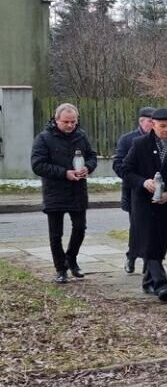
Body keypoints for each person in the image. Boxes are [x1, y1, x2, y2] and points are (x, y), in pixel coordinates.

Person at [123, 108, 167, 303]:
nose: (166, 130)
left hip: (166, 204)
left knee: (159, 243)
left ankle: (148, 281)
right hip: (143, 204)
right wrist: (143, 182)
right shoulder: (139, 144)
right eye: (163, 126)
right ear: (153, 125)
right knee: (148, 241)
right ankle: (161, 284)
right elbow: (126, 170)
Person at [31, 103, 98, 283]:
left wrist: (88, 167)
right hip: (55, 191)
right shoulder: (43, 138)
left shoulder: (81, 136)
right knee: (56, 234)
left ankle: (71, 259)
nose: (70, 125)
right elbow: (38, 165)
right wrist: (64, 173)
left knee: (80, 228)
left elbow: (92, 156)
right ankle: (61, 269)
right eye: (66, 122)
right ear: (56, 120)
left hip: (77, 190)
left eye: (73, 122)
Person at [113, 106, 155, 274]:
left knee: (153, 227)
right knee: (137, 226)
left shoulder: (162, 140)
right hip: (134, 190)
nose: (153, 125)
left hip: (156, 189)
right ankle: (132, 256)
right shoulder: (128, 139)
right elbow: (118, 165)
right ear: (141, 121)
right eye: (150, 121)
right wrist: (136, 180)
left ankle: (148, 261)